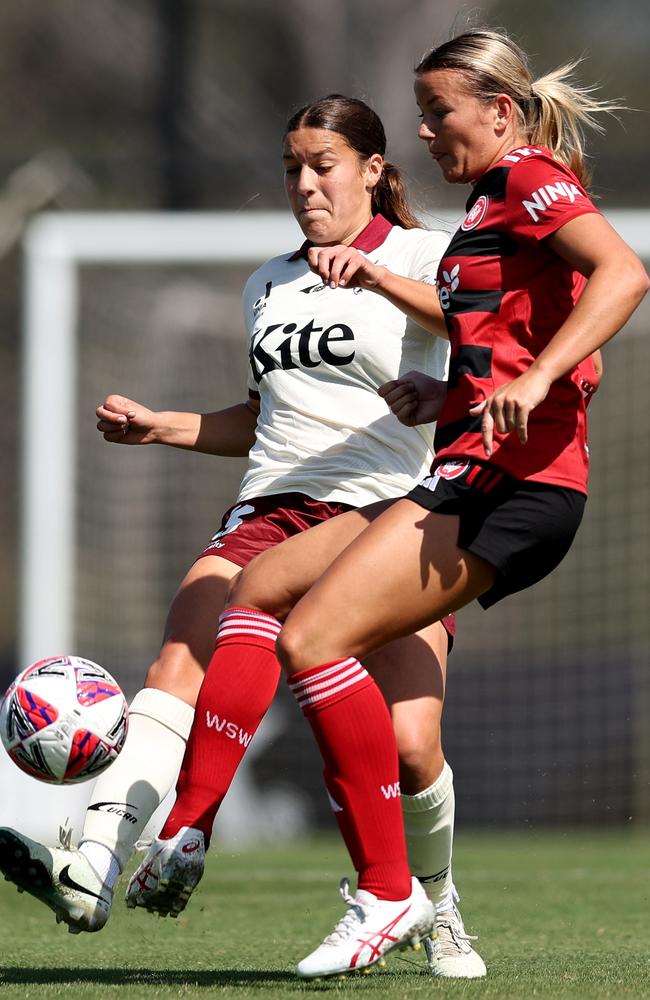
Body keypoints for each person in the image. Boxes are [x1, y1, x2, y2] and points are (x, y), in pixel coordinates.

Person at [126, 29, 648, 980]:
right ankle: (385, 888)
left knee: (311, 640)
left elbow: (625, 276)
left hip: (519, 486)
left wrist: (538, 384)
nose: (424, 126)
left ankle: (388, 893)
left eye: (439, 109)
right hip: (466, 471)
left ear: (499, 112)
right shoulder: (490, 201)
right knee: (273, 597)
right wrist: (444, 395)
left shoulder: (530, 177)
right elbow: (513, 335)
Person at [0, 94, 486, 978]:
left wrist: (375, 277)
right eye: (292, 168)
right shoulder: (267, 282)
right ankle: (101, 866)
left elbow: (482, 333)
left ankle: (438, 904)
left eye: (324, 165)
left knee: (415, 747)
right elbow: (267, 416)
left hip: (389, 514)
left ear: (374, 172)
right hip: (270, 507)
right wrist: (166, 426)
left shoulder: (425, 257)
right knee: (173, 669)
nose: (305, 184)